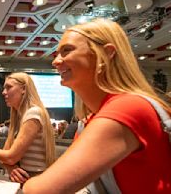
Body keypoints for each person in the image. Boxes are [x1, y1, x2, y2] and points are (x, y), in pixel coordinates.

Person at [23, 19, 171, 193]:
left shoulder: (128, 108)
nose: (55, 61)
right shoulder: (89, 121)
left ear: (107, 53)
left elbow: (40, 191)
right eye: (56, 54)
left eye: (67, 50)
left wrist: (29, 184)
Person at [0, 72, 56, 184]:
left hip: (36, 181)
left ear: (23, 89)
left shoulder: (33, 113)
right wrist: (11, 168)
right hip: (25, 178)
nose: (3, 92)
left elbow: (10, 157)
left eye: (9, 87)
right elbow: (5, 156)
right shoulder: (19, 118)